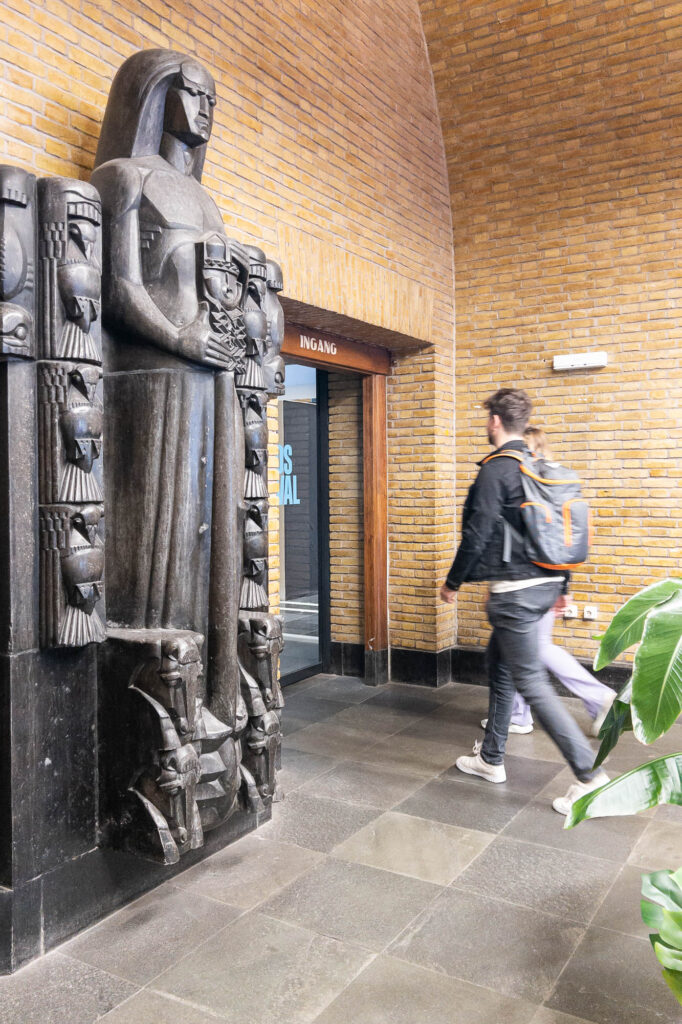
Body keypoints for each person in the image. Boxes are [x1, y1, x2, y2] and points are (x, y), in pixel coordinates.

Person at [440, 388, 608, 815]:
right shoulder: (536, 464)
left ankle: (591, 778)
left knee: (531, 684)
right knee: (499, 667)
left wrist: (453, 582)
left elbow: (476, 534)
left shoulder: (498, 470)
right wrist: (563, 587)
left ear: (494, 421)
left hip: (515, 594)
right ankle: (490, 759)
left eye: (486, 419)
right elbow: (557, 531)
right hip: (544, 585)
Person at [479, 426, 616, 739]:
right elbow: (562, 543)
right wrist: (563, 587)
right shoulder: (553, 488)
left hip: (525, 587)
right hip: (549, 581)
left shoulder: (527, 488)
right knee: (519, 649)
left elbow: (513, 545)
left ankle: (598, 696)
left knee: (535, 648)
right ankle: (517, 714)